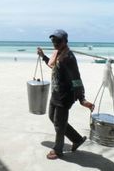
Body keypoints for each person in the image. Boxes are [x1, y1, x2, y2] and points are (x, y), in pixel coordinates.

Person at [37, 29, 94, 160]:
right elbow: (54, 67)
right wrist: (43, 56)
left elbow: (76, 78)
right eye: (53, 40)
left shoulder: (69, 57)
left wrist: (82, 99)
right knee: (53, 118)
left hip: (65, 97)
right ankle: (77, 139)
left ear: (65, 41)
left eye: (58, 40)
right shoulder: (58, 53)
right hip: (55, 93)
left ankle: (58, 150)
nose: (55, 43)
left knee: (58, 123)